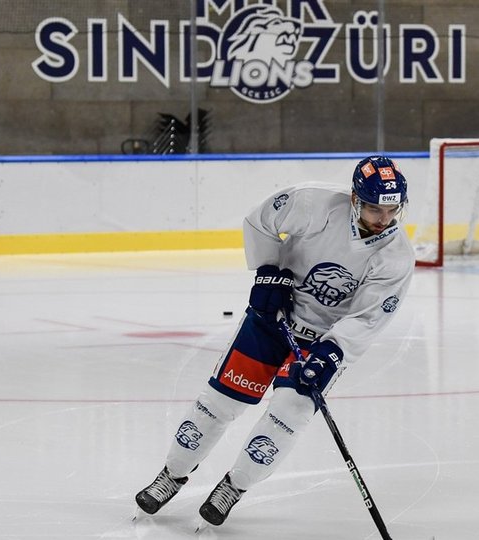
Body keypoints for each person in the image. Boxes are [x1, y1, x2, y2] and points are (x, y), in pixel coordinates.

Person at [135, 155, 415, 527]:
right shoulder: (311, 203)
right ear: (353, 198)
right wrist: (268, 271)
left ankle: (233, 487)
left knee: (288, 413)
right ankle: (171, 475)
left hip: (321, 342)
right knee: (219, 402)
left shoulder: (396, 257)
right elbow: (260, 222)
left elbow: (367, 317)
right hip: (273, 320)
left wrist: (332, 354)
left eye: (392, 209)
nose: (383, 219)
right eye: (374, 208)